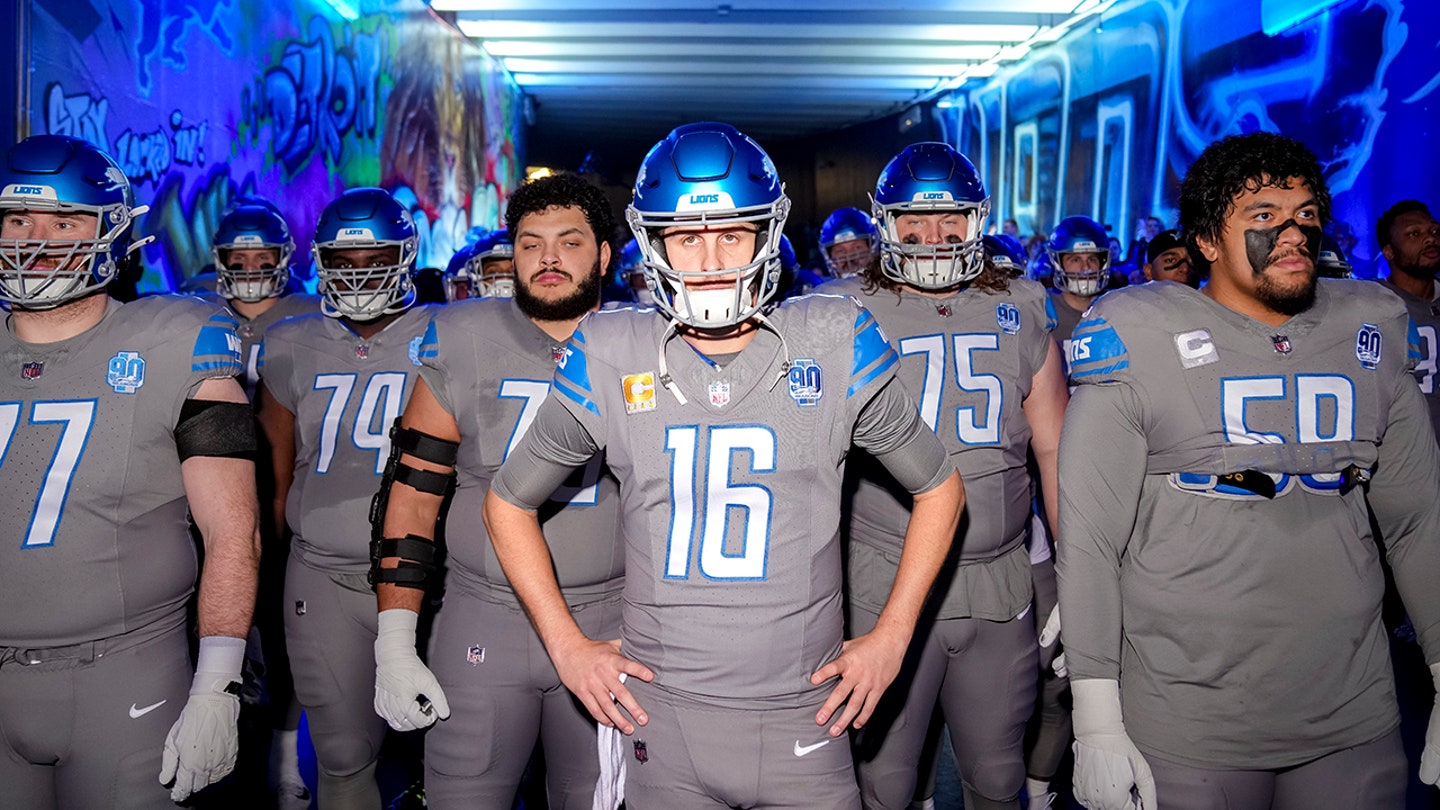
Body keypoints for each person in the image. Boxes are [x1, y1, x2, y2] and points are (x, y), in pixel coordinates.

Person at [479, 122, 964, 809]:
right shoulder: (611, 349)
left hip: (807, 715)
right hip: (661, 722)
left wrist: (893, 636)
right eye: (686, 236)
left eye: (732, 234)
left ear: (768, 234)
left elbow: (941, 487)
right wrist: (566, 645)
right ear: (654, 241)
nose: (709, 258)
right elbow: (507, 501)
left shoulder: (832, 336)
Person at [1057, 131, 1440, 809]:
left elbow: (1416, 523)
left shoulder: (1369, 327)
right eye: (1263, 216)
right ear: (1206, 240)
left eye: (1305, 215)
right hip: (1187, 720)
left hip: (1352, 708)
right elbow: (1091, 539)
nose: (1293, 232)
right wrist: (1095, 721)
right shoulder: (1141, 332)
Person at [0, 135, 260, 806]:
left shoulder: (174, 337)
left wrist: (219, 682)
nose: (38, 239)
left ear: (110, 231)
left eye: (66, 221)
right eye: (18, 219)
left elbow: (234, 533)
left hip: (124, 675)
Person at [369, 171, 625, 808]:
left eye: (569, 243)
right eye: (531, 243)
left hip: (611, 617)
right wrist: (396, 639)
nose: (548, 259)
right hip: (485, 614)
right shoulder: (462, 337)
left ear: (604, 255)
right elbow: (413, 497)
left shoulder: (646, 342)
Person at [827, 142, 1067, 810]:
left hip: (997, 575)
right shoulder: (838, 310)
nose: (933, 237)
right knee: (886, 781)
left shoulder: (1023, 303)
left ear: (977, 220)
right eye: (914, 220)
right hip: (880, 572)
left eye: (950, 219)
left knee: (996, 779)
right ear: (886, 222)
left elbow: (1052, 452)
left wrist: (1074, 574)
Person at [255, 186, 433, 808]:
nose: (360, 275)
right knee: (342, 755)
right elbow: (277, 474)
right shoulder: (289, 341)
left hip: (429, 577)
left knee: (453, 754)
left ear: (407, 253)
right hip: (322, 573)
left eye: (376, 257)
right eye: (344, 261)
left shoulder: (449, 333)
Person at [1376, 199, 1440, 436]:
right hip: (1401, 455)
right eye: (1414, 233)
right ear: (1389, 251)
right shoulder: (1371, 305)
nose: (1431, 238)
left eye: (1435, 230)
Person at [1047, 215, 1112, 366]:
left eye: (1092, 259)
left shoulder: (1116, 308)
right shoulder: (1043, 311)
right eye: (1075, 260)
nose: (1085, 267)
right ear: (1058, 264)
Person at [820, 206, 880, 279]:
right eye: (840, 251)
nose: (849, 256)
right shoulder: (822, 289)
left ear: (873, 247)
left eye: (857, 247)